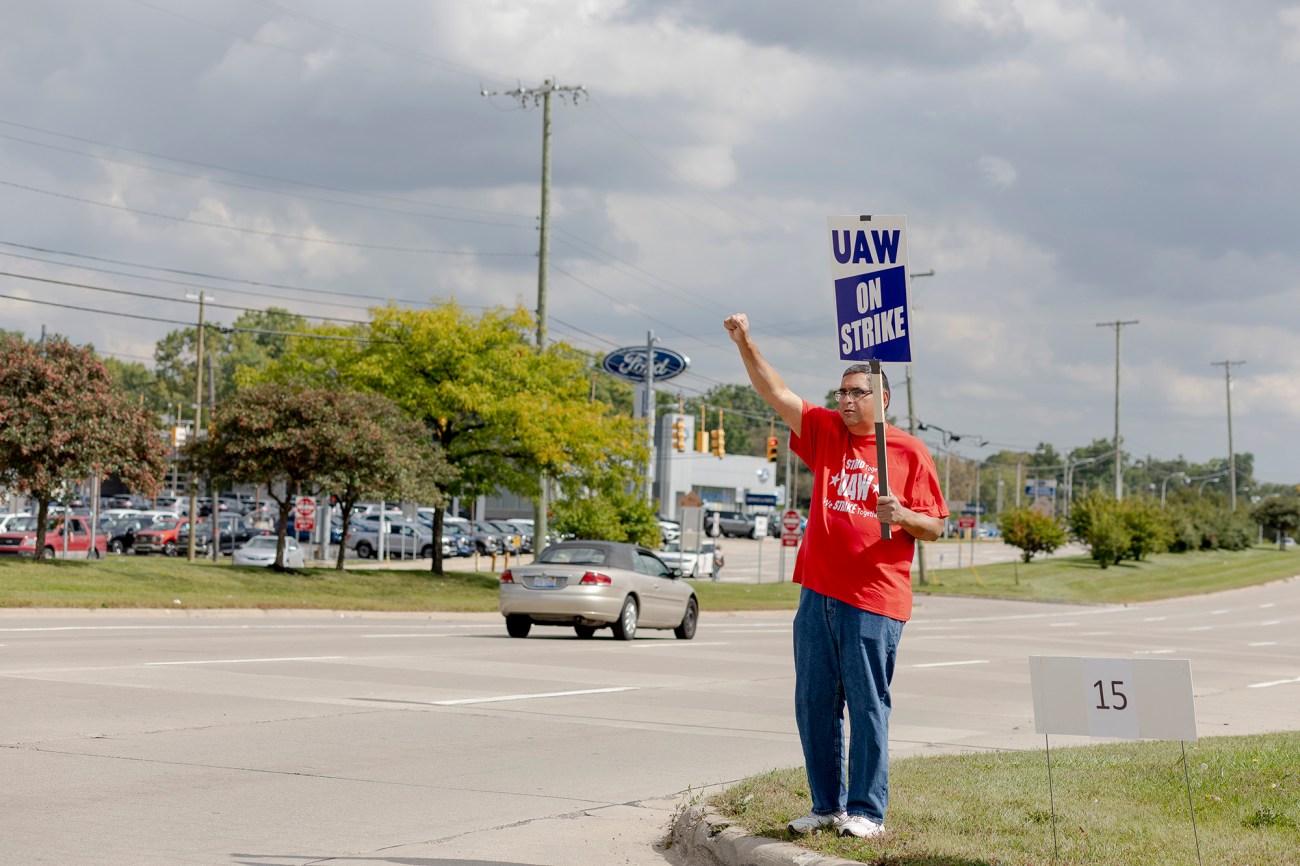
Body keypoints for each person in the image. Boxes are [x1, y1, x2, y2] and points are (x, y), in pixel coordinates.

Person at [723, 312, 948, 840]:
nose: (846, 401)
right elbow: (774, 391)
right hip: (817, 595)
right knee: (814, 704)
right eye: (841, 391)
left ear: (882, 399)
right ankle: (826, 804)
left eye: (857, 392)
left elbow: (936, 526)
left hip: (873, 600)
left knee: (868, 706)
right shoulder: (824, 432)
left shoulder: (908, 452)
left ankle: (867, 811)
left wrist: (904, 517)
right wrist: (745, 342)